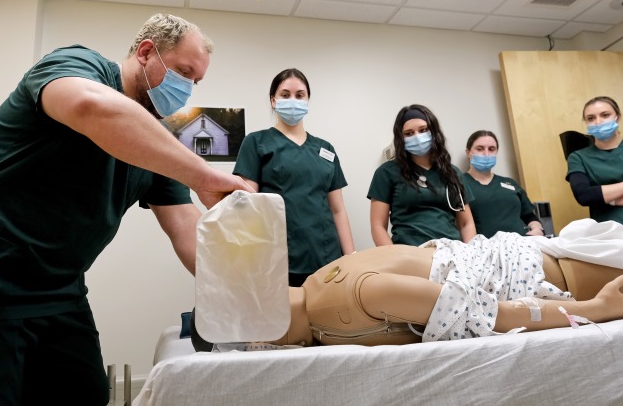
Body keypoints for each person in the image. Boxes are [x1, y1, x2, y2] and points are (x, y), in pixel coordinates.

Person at [0, 13, 252, 406]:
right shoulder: (79, 65)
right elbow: (91, 107)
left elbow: (187, 229)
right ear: (147, 52)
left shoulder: (156, 146)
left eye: (197, 81)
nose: (188, 88)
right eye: (184, 72)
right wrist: (203, 176)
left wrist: (250, 291)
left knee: (85, 392)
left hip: (59, 286)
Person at [190, 230, 623, 350]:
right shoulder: (315, 282)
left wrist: (596, 308)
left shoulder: (344, 303)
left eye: (251, 341)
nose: (261, 348)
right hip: (525, 256)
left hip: (543, 275)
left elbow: (489, 315)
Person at [233, 68, 354, 287]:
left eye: (300, 95)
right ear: (273, 100)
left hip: (326, 257)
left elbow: (338, 209)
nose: (293, 100)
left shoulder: (325, 149)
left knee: (323, 320)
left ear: (308, 100)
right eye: (285, 94)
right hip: (276, 259)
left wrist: (351, 258)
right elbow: (247, 207)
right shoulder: (256, 142)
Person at [368, 104, 476, 246]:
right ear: (401, 138)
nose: (417, 137)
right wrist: (396, 260)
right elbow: (378, 227)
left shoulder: (452, 173)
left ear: (434, 132)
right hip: (410, 255)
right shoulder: (387, 173)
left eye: (423, 130)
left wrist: (469, 256)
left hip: (451, 253)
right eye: (409, 133)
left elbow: (466, 223)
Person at [463, 130, 544, 238]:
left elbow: (529, 216)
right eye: (480, 149)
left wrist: (537, 229)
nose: (486, 154)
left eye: (491, 149)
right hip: (486, 248)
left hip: (523, 243)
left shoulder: (510, 183)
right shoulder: (460, 184)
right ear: (468, 152)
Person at [566, 96, 623, 224]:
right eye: (591, 118)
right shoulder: (578, 157)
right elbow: (584, 195)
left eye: (605, 115)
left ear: (617, 117)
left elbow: (594, 195)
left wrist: (606, 198)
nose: (598, 121)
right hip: (608, 232)